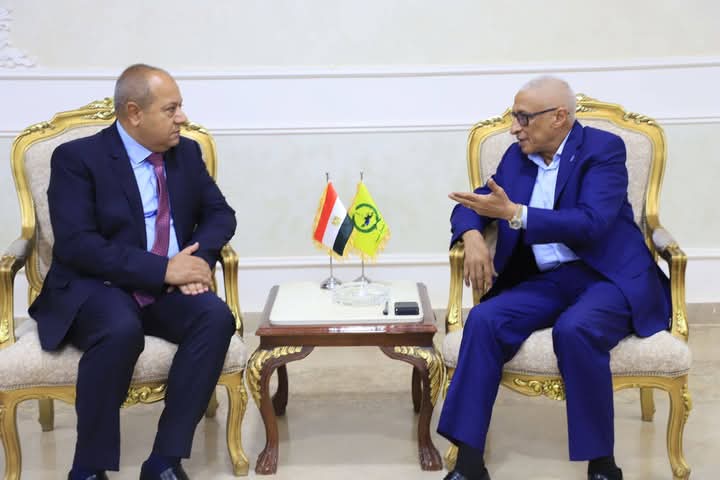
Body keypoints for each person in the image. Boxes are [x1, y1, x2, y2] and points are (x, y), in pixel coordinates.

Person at [437, 76, 671, 480]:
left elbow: (592, 223)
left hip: (606, 276)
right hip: (547, 279)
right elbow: (473, 202)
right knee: (484, 320)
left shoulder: (603, 149)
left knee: (575, 329)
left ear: (559, 117)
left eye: (523, 118)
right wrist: (472, 236)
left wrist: (516, 215)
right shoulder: (517, 157)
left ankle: (602, 465)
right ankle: (469, 463)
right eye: (514, 117)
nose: (514, 128)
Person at [29, 64, 237, 480]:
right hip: (97, 285)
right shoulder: (76, 159)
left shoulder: (186, 153)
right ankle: (88, 468)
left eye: (180, 107)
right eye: (171, 109)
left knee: (216, 317)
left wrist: (196, 263)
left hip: (166, 288)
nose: (182, 118)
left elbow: (220, 215)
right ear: (134, 113)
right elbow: (76, 244)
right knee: (120, 328)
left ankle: (164, 461)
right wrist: (165, 269)